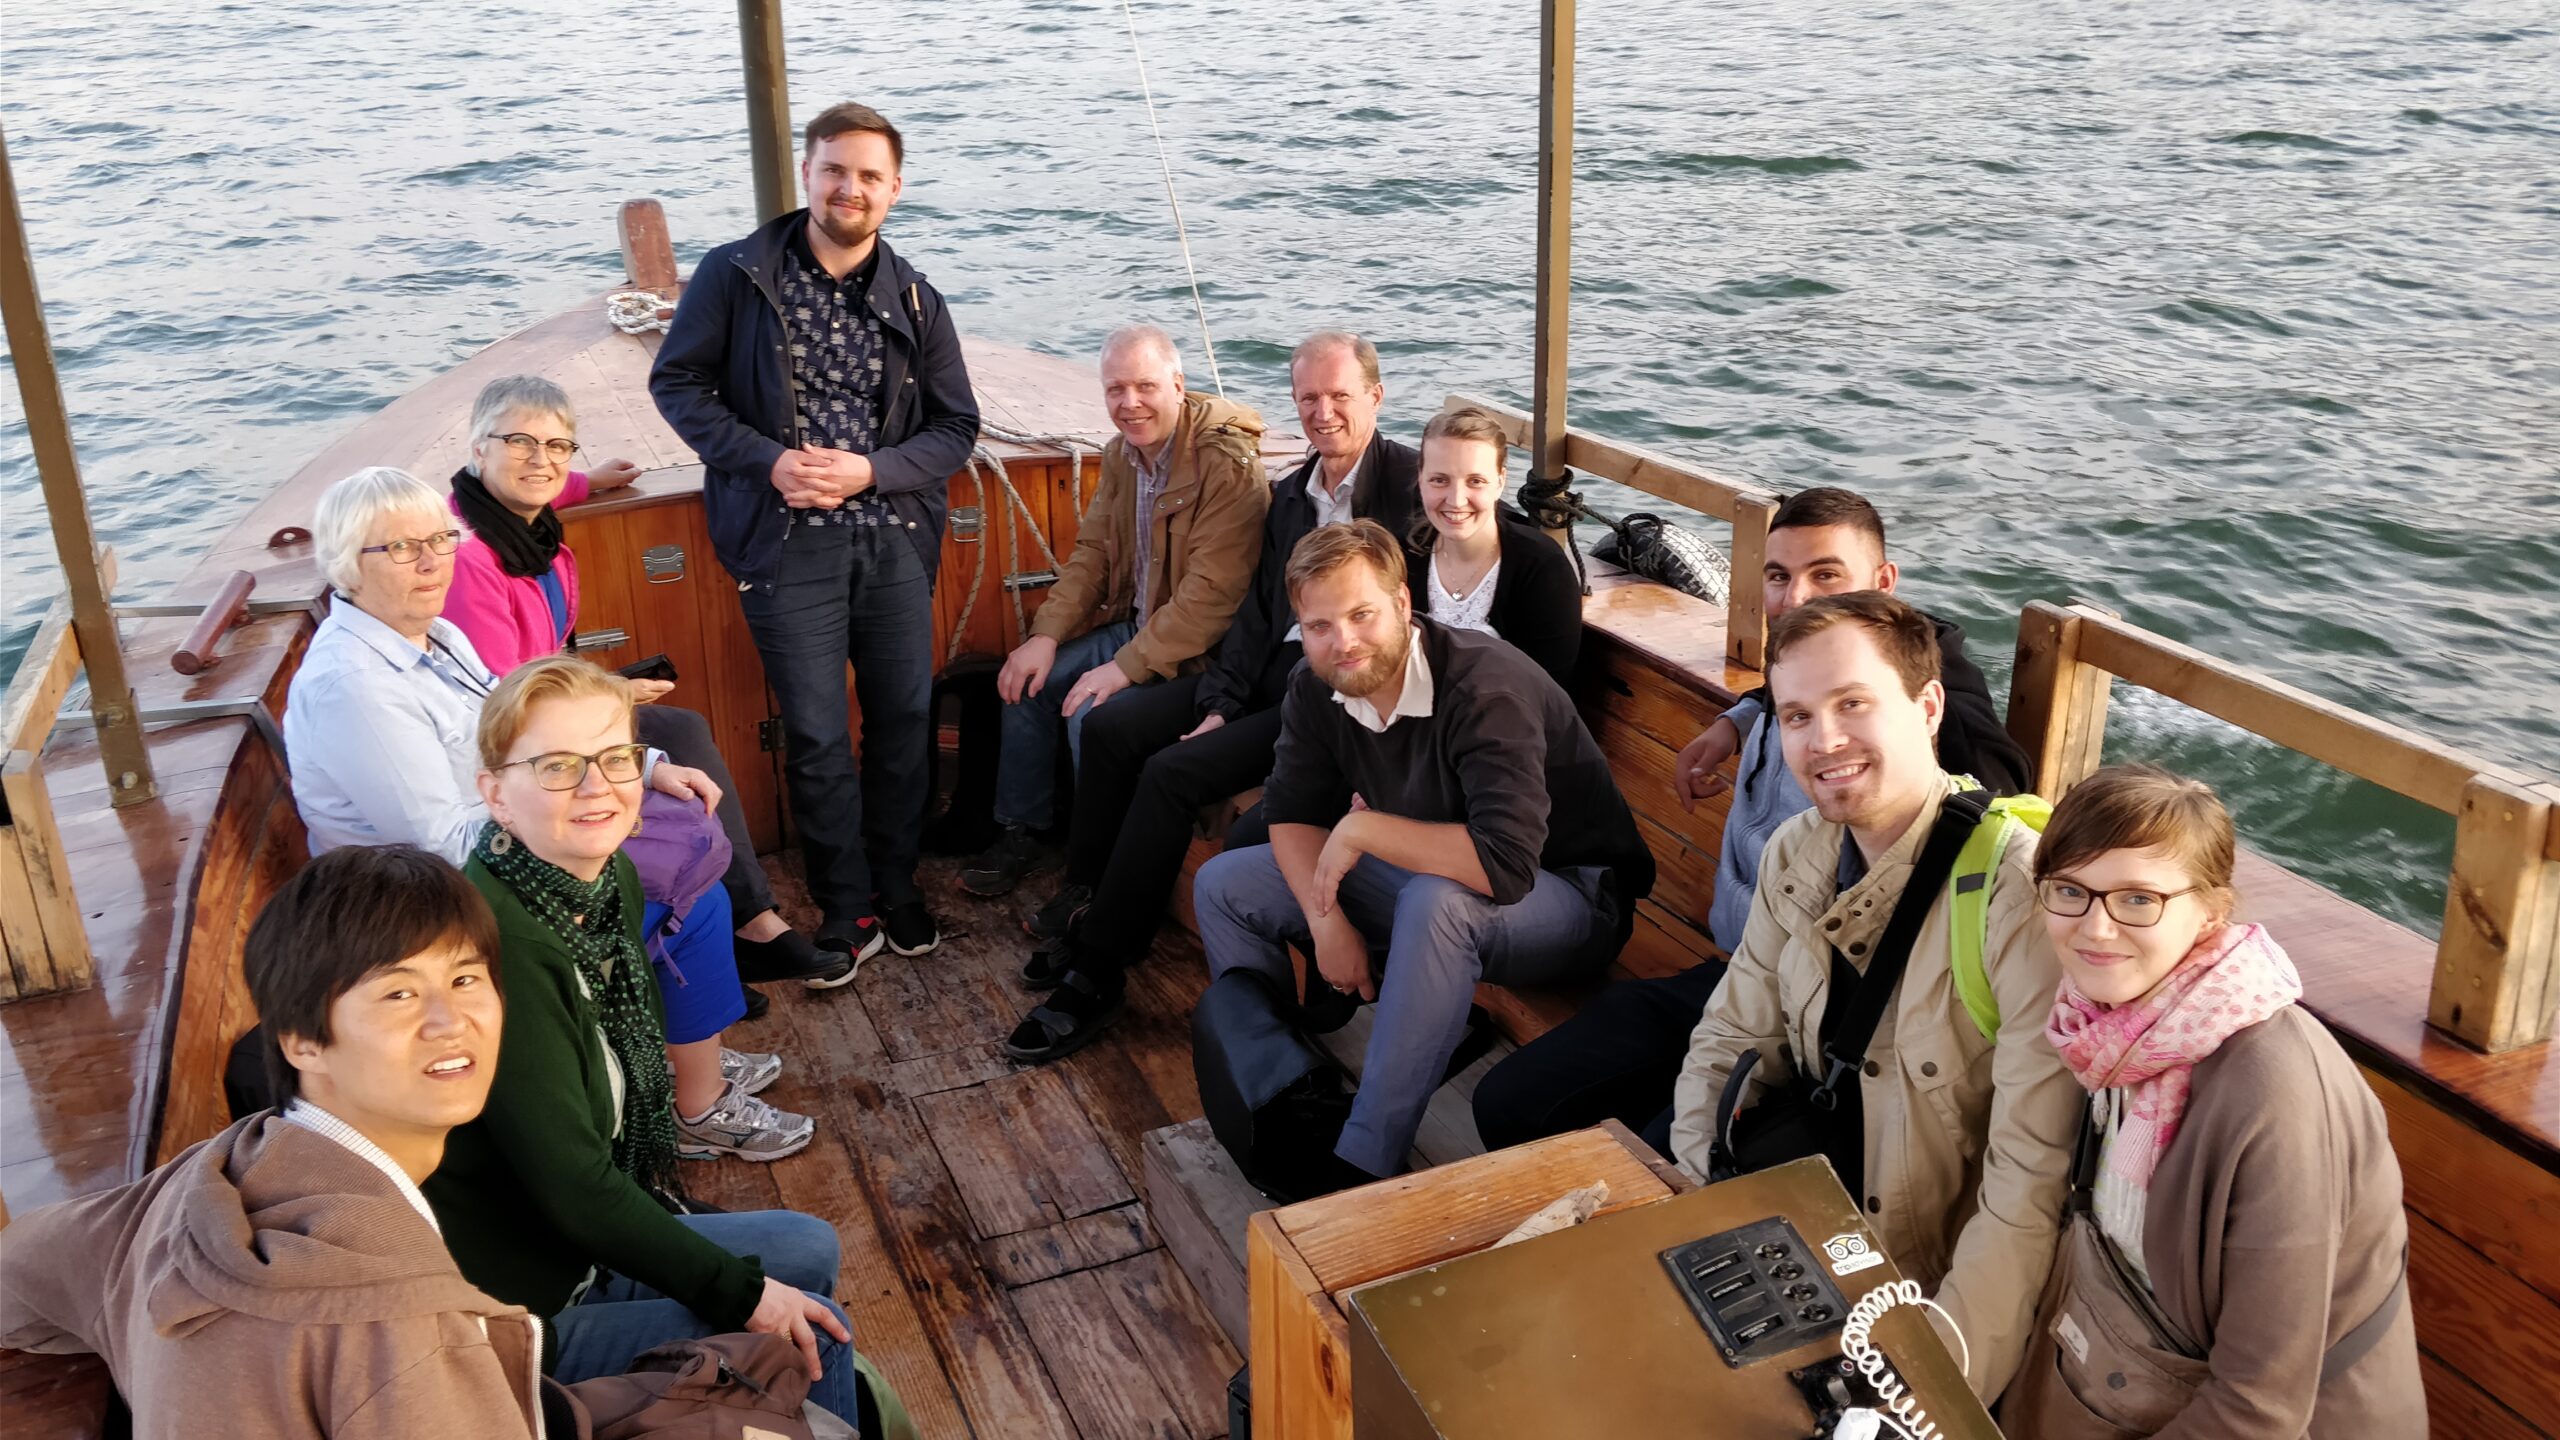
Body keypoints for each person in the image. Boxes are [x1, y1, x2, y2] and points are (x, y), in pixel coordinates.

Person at [1472, 485, 2030, 1153]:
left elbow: (1996, 780)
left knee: (1661, 1150)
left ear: (1884, 584)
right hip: (1740, 971)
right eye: (1779, 577)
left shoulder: (1939, 694)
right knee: (1508, 1101)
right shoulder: (1794, 689)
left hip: (1845, 1014)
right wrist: (1736, 720)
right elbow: (1796, 679)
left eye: (1826, 574)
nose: (1798, 598)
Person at [284, 466, 809, 1160]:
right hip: (433, 904)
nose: (432, 562)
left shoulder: (433, 638)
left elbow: (521, 736)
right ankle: (697, 1100)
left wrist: (646, 767)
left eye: (440, 540)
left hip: (503, 845)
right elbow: (443, 843)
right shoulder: (354, 684)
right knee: (689, 903)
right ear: (347, 563)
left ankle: (685, 1050)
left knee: (683, 861)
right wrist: (586, 824)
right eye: (402, 548)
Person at [424, 656, 866, 1422]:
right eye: (558, 767)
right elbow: (576, 1190)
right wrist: (744, 1296)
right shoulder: (503, 950)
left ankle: (762, 1420)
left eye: (615, 758)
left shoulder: (605, 884)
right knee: (810, 1337)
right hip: (523, 1308)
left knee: (811, 1249)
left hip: (579, 1237)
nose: (596, 787)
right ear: (495, 794)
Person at [1667, 591, 2078, 1404]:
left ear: (1928, 708)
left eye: (1853, 703)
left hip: (1932, 1290)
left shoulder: (2016, 897)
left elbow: (2027, 1184)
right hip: (1799, 1240)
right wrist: (1697, 1212)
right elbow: (1730, 1039)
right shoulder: (1800, 850)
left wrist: (1934, 1388)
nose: (1823, 741)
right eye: (1796, 716)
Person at [0, 845, 545, 1439]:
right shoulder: (406, 1332)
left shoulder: (204, 1180)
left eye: (465, 979)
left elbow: (16, 1272)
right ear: (301, 1042)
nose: (451, 1020)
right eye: (399, 993)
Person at [1190, 521, 1655, 1190]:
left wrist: (1362, 831)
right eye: (1319, 626)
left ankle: (1362, 1164)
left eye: (1361, 615)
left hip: (1568, 893)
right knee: (1225, 882)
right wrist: (1325, 920)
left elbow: (1504, 865)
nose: (1343, 642)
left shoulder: (1483, 690)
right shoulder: (1316, 686)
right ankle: (1284, 1093)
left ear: (1403, 604)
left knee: (1437, 905)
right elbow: (1291, 813)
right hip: (1429, 873)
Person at [998, 331, 1417, 1059]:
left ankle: (1097, 972)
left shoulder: (1411, 488)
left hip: (1337, 700)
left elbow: (1462, 563)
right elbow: (1256, 616)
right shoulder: (1295, 496)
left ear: (1375, 397)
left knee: (1170, 773)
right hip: (1269, 683)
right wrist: (1220, 703)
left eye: (1339, 396)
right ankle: (1086, 897)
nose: (1322, 413)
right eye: (1308, 398)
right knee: (1109, 729)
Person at [650, 100, 982, 974]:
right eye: (835, 170)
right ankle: (846, 902)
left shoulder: (917, 297)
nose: (850, 188)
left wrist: (872, 470)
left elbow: (956, 428)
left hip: (894, 538)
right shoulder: (735, 274)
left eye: (870, 175)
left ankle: (897, 885)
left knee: (904, 720)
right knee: (817, 732)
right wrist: (768, 461)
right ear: (808, 173)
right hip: (785, 543)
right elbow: (678, 384)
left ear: (895, 189)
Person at [2003, 765, 2423, 1437]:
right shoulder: (2108, 1027)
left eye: (2138, 899)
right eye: (2071, 891)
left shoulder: (2274, 1098)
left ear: (2211, 912)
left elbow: (2259, 1408)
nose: (2096, 928)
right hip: (2133, 1368)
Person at [442, 372, 835, 989]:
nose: (541, 461)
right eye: (519, 443)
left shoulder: (516, 519)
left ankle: (744, 921)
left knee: (681, 727)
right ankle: (739, 925)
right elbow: (505, 696)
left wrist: (590, 483)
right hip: (521, 735)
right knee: (673, 735)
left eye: (557, 446)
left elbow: (549, 483)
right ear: (478, 449)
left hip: (554, 703)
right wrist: (613, 695)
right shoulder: (471, 559)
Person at [960, 323, 1271, 898]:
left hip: (1202, 654)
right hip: (1140, 626)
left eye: (1145, 386)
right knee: (1026, 682)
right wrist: (1045, 636)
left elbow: (1211, 597)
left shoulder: (1224, 465)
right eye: (1116, 389)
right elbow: (1093, 555)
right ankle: (1024, 830)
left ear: (1177, 385)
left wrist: (1124, 668)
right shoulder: (1122, 455)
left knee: (1091, 715)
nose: (1130, 403)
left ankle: (1098, 864)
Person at [1400, 405, 1582, 686]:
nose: (1456, 500)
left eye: (1475, 481)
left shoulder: (1542, 568)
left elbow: (1546, 690)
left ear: (1500, 482)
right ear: (1420, 478)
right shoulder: (1400, 556)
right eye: (1439, 480)